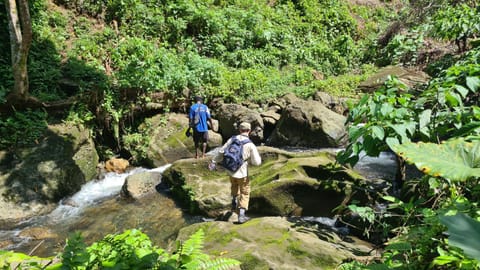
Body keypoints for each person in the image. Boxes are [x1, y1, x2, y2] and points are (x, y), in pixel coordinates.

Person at [212, 122, 262, 224]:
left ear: (239, 130)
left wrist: (214, 161)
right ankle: (241, 215)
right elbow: (257, 162)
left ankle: (234, 202)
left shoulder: (232, 139)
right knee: (245, 192)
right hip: (242, 172)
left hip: (230, 170)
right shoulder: (250, 144)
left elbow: (221, 151)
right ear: (249, 131)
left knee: (234, 185)